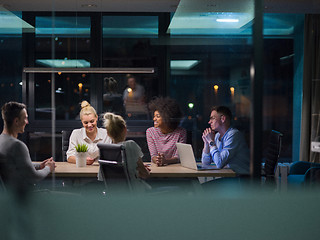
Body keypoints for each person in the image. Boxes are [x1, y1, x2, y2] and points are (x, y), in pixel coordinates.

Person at [0, 101, 55, 189]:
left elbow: (13, 166)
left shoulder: (2, 140)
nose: (27, 122)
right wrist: (48, 168)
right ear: (16, 121)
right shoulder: (17, 145)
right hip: (25, 198)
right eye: (25, 118)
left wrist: (39, 166)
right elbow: (34, 177)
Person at [102, 112, 151, 192]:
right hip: (135, 194)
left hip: (115, 196)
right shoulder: (130, 145)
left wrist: (132, 168)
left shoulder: (106, 149)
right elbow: (145, 174)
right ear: (125, 129)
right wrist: (138, 169)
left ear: (108, 133)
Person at [201, 106, 250, 175]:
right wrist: (206, 143)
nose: (209, 122)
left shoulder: (233, 135)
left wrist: (211, 142)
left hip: (241, 179)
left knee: (204, 186)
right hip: (229, 177)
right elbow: (205, 163)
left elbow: (219, 163)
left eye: (212, 118)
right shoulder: (217, 136)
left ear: (223, 119)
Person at [67, 101, 112, 165]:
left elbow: (110, 156)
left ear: (96, 118)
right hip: (81, 170)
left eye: (92, 121)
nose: (89, 125)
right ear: (82, 122)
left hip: (100, 170)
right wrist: (82, 160)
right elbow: (69, 157)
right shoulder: (76, 134)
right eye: (86, 123)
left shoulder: (106, 134)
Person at [146, 97, 187, 166]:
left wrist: (166, 161)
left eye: (157, 116)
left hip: (175, 168)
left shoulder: (180, 132)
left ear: (167, 117)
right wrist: (158, 160)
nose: (154, 119)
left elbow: (178, 157)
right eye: (154, 116)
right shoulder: (150, 132)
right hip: (158, 168)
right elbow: (153, 156)